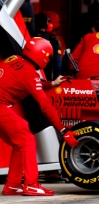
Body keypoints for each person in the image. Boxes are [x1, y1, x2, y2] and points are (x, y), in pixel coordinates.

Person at [0, 38, 79, 196]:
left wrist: (50, 84)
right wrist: (64, 130)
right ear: (42, 56)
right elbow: (45, 106)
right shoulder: (29, 73)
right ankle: (32, 184)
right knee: (27, 138)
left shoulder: (14, 59)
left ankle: (13, 185)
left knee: (19, 142)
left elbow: (27, 81)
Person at [34, 12, 62, 80]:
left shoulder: (28, 37)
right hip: (46, 80)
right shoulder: (53, 41)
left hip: (30, 78)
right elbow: (57, 64)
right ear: (47, 24)